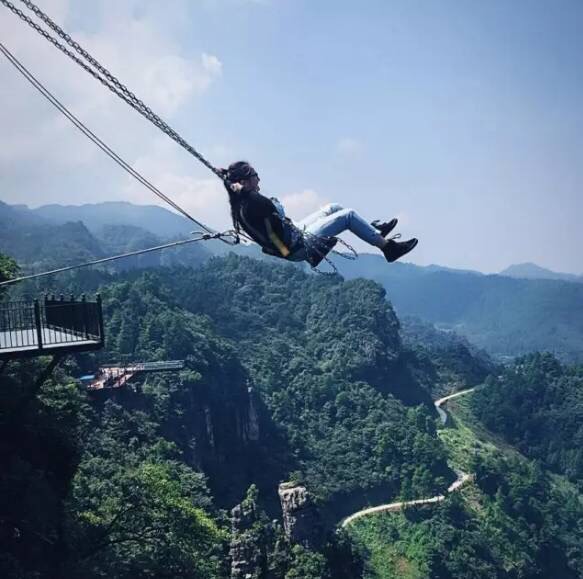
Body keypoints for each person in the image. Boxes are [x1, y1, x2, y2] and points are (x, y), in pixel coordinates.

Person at [221, 161, 418, 268]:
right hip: (296, 246)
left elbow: (256, 200)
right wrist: (238, 187)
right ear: (245, 183)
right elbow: (265, 204)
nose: (259, 179)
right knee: (347, 215)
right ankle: (389, 249)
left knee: (333, 207)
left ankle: (374, 230)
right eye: (255, 176)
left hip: (291, 235)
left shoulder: (244, 203)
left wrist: (226, 178)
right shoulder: (251, 205)